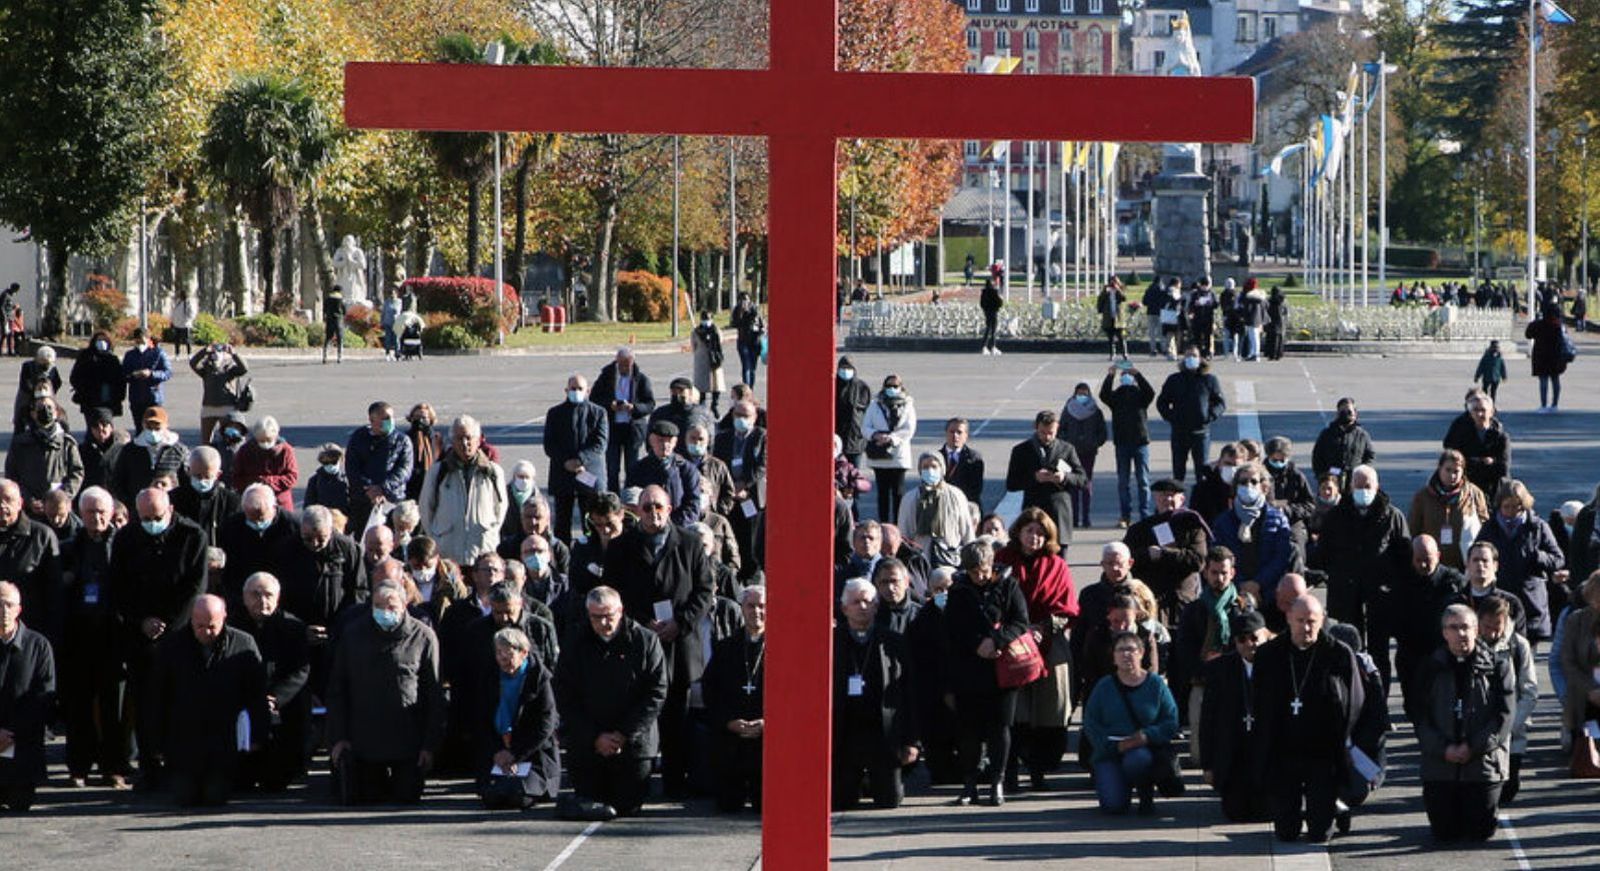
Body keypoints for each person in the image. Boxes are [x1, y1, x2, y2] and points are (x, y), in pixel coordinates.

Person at [603, 485, 715, 800]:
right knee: (639, 711)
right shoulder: (620, 547)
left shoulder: (690, 544)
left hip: (679, 642)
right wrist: (640, 624)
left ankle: (676, 782)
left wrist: (680, 623)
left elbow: (704, 591)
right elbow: (612, 593)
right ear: (637, 511)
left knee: (676, 715)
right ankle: (636, 777)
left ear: (670, 509)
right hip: (639, 643)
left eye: (659, 507)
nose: (653, 514)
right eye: (647, 507)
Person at [108, 488, 209, 787]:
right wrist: (142, 622)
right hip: (140, 636)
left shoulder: (193, 536)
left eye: (157, 517)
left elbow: (195, 588)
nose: (152, 523)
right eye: (146, 518)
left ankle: (178, 763)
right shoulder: (128, 538)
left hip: (179, 635)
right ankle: (149, 764)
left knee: (180, 702)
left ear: (171, 509)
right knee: (145, 703)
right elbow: (118, 585)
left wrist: (168, 623)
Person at [1254, 596, 1364, 843]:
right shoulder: (1269, 655)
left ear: (1322, 620)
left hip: (1322, 751)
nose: (1305, 628)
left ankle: (1332, 810)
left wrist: (1347, 743)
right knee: (1286, 833)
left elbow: (1355, 701)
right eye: (1300, 621)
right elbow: (1259, 700)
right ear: (1288, 619)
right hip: (1284, 750)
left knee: (1319, 834)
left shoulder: (1338, 654)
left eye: (1312, 622)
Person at [554, 586, 668, 821]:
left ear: (621, 611)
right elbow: (565, 695)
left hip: (632, 745)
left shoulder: (645, 640)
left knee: (626, 807)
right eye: (597, 617)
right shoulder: (575, 642)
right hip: (589, 744)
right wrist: (595, 737)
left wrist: (623, 735)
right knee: (591, 805)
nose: (604, 623)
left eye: (610, 616)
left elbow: (656, 692)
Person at [326, 583, 446, 804]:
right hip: (365, 741)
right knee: (368, 797)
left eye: (391, 607)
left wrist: (429, 746)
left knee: (406, 797)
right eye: (378, 606)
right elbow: (338, 690)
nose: (384, 612)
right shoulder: (353, 634)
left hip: (408, 740)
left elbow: (434, 695)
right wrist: (338, 738)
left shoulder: (423, 636)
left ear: (404, 605)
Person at [150, 595, 266, 806]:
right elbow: (158, 696)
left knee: (215, 796)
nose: (206, 632)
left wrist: (257, 735)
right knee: (185, 796)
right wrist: (157, 742)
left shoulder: (243, 644)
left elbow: (256, 694)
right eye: (199, 625)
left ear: (224, 618)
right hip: (184, 740)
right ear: (191, 620)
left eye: (212, 626)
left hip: (224, 740)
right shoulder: (172, 646)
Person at [1411, 603, 1514, 842]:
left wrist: (1473, 747)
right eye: (1453, 628)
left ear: (1476, 630)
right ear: (1444, 633)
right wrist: (1443, 748)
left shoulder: (1498, 666)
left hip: (1482, 764)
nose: (1461, 634)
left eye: (1466, 627)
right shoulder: (1430, 667)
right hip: (1440, 764)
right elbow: (1420, 717)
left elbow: (1504, 716)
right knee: (1445, 833)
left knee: (1479, 833)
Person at [994, 509, 1077, 790]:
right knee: (1016, 711)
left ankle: (1040, 770)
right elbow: (994, 600)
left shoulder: (1057, 566)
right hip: (1011, 641)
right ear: (1019, 532)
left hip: (1048, 640)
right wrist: (1016, 631)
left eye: (1041, 533)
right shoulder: (1003, 561)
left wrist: (1044, 627)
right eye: (1030, 531)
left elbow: (1068, 608)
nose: (1035, 537)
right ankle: (1011, 771)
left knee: (1049, 707)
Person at [1309, 464, 1410, 685]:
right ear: (1350, 487)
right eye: (1358, 486)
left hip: (1380, 597)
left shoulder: (1392, 516)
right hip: (1345, 596)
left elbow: (1404, 557)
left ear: (1377, 487)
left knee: (1379, 653)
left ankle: (1378, 702)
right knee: (1346, 649)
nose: (1363, 490)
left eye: (1367, 486)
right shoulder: (1336, 516)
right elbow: (1323, 556)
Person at [60, 488, 131, 788]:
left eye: (102, 511)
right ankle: (79, 767)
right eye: (90, 512)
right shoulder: (68, 547)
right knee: (78, 706)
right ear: (81, 512)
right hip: (79, 636)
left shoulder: (125, 545)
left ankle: (114, 766)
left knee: (113, 707)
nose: (97, 517)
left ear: (112, 512)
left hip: (114, 637)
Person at [833, 578, 918, 809]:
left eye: (868, 602)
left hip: (882, 733)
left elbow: (909, 692)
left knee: (889, 801)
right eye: (856, 602)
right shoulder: (831, 642)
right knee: (841, 801)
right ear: (844, 608)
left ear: (876, 606)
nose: (862, 607)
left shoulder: (893, 642)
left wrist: (912, 741)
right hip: (845, 732)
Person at [1081, 630, 1181, 815]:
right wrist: (1113, 746)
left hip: (1143, 749)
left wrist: (1147, 736)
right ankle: (1120, 786)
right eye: (1120, 650)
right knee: (1113, 806)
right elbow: (1090, 723)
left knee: (1138, 758)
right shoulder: (1104, 686)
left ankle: (1145, 792)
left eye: (1131, 649)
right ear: (1113, 656)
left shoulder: (1156, 684)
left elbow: (1171, 721)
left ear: (1141, 653)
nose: (1126, 654)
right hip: (1111, 752)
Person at [230, 572, 311, 792]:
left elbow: (301, 670)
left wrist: (276, 697)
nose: (262, 601)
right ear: (245, 597)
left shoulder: (293, 627)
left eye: (268, 595)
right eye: (255, 595)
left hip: (280, 702)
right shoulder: (232, 627)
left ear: (278, 597)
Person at [476, 626, 560, 808]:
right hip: (499, 752)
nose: (503, 660)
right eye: (499, 654)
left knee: (518, 796)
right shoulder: (490, 677)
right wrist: (498, 752)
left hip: (532, 754)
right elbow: (481, 720)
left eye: (508, 655)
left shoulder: (539, 678)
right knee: (492, 796)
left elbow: (546, 724)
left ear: (523, 653)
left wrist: (515, 755)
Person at [1199, 609, 1271, 822]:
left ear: (1265, 635)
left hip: (1266, 751)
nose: (1250, 644)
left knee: (1267, 812)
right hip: (1234, 752)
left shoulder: (1278, 664)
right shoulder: (1220, 669)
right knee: (1236, 812)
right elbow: (1208, 719)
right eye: (1242, 639)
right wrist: (1208, 765)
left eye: (1254, 637)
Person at [1475, 479, 1564, 644]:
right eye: (1506, 507)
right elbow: (1476, 552)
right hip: (1499, 603)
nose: (1511, 512)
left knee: (1526, 662)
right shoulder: (1490, 528)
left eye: (1517, 507)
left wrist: (1537, 556)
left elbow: (1558, 559)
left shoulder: (1538, 527)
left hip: (1531, 603)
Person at [702, 585, 766, 812]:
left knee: (765, 805)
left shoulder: (782, 647)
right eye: (751, 606)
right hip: (731, 737)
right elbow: (710, 691)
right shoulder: (725, 648)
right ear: (741, 608)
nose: (756, 611)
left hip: (767, 740)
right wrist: (728, 721)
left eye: (762, 606)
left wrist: (768, 722)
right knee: (727, 805)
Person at [1210, 462, 1300, 613]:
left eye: (1253, 482)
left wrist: (1257, 584)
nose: (1248, 486)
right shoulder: (1223, 521)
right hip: (1233, 591)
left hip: (1269, 592)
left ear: (1264, 487)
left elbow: (1282, 556)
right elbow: (1217, 554)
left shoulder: (1278, 519)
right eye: (1243, 482)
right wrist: (1242, 585)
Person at [420, 415, 508, 566]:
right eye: (459, 438)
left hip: (482, 554)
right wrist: (437, 537)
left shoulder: (492, 472)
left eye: (469, 438)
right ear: (452, 441)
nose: (464, 443)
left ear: (478, 439)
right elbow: (426, 508)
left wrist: (490, 534)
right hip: (448, 554)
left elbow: (501, 508)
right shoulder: (438, 471)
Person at [0, 580, 55, 812]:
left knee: (20, 802)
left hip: (22, 747)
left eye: (9, 605)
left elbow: (44, 698)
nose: (4, 611)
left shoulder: (38, 645)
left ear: (19, 609)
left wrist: (11, 733)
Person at [1124, 479, 1209, 626]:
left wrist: (1164, 554)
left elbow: (1198, 560)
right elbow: (1127, 559)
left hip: (1183, 600)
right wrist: (1147, 554)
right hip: (1151, 600)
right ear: (1155, 498)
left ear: (1182, 499)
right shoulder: (1140, 530)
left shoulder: (1192, 526)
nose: (1167, 499)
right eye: (1163, 495)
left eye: (1172, 495)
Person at [1477, 595, 1535, 804]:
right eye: (1486, 626)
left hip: (1513, 731)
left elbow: (1529, 690)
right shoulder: (1471, 645)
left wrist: (1510, 724)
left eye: (1497, 626)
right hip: (1479, 729)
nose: (1491, 632)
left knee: (1508, 790)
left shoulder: (1519, 646)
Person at [1004, 410, 1087, 546]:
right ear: (1036, 427)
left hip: (1059, 514)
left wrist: (1064, 477)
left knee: (1059, 561)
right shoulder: (1021, 451)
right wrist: (1035, 478)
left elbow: (1082, 480)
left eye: (1051, 433)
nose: (1047, 437)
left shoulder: (1067, 449)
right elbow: (1011, 484)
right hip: (1034, 514)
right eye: (1043, 433)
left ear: (1057, 428)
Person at [542, 375, 607, 543]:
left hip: (589, 474)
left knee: (591, 522)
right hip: (563, 475)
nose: (576, 392)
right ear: (566, 390)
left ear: (588, 391)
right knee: (562, 523)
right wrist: (566, 462)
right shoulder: (555, 413)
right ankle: (563, 557)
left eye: (580, 389)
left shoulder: (599, 413)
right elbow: (550, 444)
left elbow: (600, 443)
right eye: (573, 388)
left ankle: (591, 553)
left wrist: (580, 460)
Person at [1408, 449, 1490, 571]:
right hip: (1432, 564)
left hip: (1464, 564)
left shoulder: (1474, 494)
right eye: (1448, 470)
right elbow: (1413, 531)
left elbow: (1485, 528)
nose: (1452, 476)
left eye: (1456, 471)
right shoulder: (1423, 496)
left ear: (1463, 472)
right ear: (1439, 468)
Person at [1156, 346, 1226, 483]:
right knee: (1178, 471)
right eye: (1188, 356)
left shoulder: (1209, 380)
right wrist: (1171, 417)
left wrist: (1209, 416)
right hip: (1179, 432)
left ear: (1200, 358)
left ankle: (1200, 501)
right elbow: (1162, 402)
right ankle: (1177, 500)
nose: (1191, 359)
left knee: (1202, 472)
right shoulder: (1174, 379)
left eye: (1194, 355)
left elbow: (1220, 403)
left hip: (1201, 433)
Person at [591, 347, 657, 493]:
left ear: (633, 363)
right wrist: (610, 405)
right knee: (612, 468)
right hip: (612, 429)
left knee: (632, 467)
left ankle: (630, 497)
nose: (624, 368)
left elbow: (650, 404)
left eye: (627, 365)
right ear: (616, 361)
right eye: (621, 365)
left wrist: (634, 408)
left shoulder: (641, 379)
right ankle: (613, 497)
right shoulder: (606, 377)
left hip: (632, 430)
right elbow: (594, 399)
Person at [895, 452, 974, 572]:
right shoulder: (911, 498)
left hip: (949, 558)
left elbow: (966, 530)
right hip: (921, 559)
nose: (930, 471)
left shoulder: (956, 495)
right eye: (925, 467)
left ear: (942, 469)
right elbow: (904, 533)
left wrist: (970, 559)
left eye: (934, 466)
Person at [344, 401, 414, 533]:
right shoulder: (359, 438)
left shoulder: (402, 441)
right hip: (363, 501)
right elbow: (352, 468)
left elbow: (404, 470)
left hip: (391, 500)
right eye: (385, 418)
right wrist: (369, 490)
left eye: (391, 417)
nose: (390, 421)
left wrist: (382, 488)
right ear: (372, 420)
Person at [5, 397, 83, 514]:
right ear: (33, 414)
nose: (46, 411)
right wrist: (28, 500)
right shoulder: (20, 444)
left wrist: (62, 497)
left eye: (49, 407)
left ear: (56, 413)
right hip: (29, 510)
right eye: (40, 408)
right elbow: (12, 475)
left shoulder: (67, 443)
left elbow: (77, 473)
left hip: (59, 509)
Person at [1100, 364, 1156, 526]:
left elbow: (1150, 392)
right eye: (1123, 375)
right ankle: (1125, 515)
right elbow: (1104, 395)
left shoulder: (1140, 395)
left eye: (1128, 375)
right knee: (1123, 482)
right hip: (1122, 444)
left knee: (1143, 481)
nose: (1126, 377)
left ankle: (1145, 513)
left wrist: (1138, 375)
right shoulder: (1116, 396)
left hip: (1141, 443)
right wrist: (1110, 375)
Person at [860, 373, 917, 524]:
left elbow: (909, 429)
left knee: (898, 492)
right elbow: (865, 427)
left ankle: (899, 524)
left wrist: (892, 438)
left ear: (901, 387)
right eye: (889, 386)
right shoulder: (875, 404)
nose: (892, 389)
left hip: (898, 455)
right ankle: (884, 523)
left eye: (895, 386)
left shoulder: (908, 404)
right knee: (882, 493)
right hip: (879, 455)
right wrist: (876, 435)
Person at [109, 406, 189, 507]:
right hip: (138, 508)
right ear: (143, 425)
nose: (152, 432)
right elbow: (117, 481)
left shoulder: (179, 451)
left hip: (171, 506)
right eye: (149, 427)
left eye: (157, 428)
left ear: (166, 426)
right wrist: (129, 504)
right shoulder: (129, 450)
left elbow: (187, 482)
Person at [630, 420, 703, 527]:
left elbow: (693, 505)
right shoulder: (638, 469)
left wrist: (673, 526)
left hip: (678, 527)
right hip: (646, 526)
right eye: (660, 440)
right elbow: (631, 503)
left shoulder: (686, 469)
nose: (665, 445)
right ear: (651, 440)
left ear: (675, 442)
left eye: (670, 441)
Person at [1442, 391, 1511, 500]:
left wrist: (1473, 462)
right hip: (1466, 491)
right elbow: (1455, 461)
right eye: (1475, 410)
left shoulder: (1501, 437)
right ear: (1470, 413)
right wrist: (1485, 462)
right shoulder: (1462, 434)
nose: (1479, 414)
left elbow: (1503, 469)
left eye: (1483, 410)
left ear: (1491, 412)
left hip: (1494, 492)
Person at [171, 446, 241, 546]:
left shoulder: (232, 502)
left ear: (218, 474)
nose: (202, 481)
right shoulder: (174, 498)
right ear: (189, 471)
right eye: (197, 476)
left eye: (207, 477)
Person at [1060, 382, 1107, 529]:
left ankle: (1086, 517)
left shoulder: (1095, 411)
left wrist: (1094, 443)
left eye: (1084, 393)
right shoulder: (1068, 409)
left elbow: (1103, 432)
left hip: (1088, 452)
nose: (1082, 396)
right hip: (1071, 453)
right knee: (1073, 485)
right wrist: (1066, 444)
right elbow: (1061, 430)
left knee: (1086, 485)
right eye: (1079, 393)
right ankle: (1074, 518)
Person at [233, 415, 299, 511]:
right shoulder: (245, 450)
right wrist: (254, 485)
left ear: (276, 435)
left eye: (268, 440)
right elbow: (237, 476)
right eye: (261, 440)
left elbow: (292, 476)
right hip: (252, 502)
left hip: (280, 503)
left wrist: (268, 482)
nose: (265, 443)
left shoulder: (286, 451)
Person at [1310, 399, 1374, 494]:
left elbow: (1370, 456)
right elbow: (1317, 456)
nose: (1346, 414)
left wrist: (1362, 473)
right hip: (1331, 482)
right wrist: (1322, 477)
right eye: (1343, 412)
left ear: (1355, 413)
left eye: (1349, 412)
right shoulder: (1327, 434)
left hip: (1354, 482)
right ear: (1337, 413)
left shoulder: (1362, 435)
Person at [188, 342, 248, 444]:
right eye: (214, 351)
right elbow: (193, 363)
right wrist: (204, 351)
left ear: (225, 355)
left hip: (227, 408)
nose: (217, 353)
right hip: (208, 407)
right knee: (206, 441)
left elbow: (244, 368)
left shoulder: (230, 369)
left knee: (229, 439)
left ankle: (227, 457)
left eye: (220, 351)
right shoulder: (206, 369)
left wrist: (234, 354)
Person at [68, 331, 125, 423]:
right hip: (89, 400)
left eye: (104, 340)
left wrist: (119, 397)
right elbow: (75, 377)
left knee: (106, 427)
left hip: (107, 400)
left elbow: (120, 381)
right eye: (99, 340)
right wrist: (83, 389)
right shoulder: (85, 356)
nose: (101, 342)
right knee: (92, 427)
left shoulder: (113, 359)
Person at [120, 328, 172, 424]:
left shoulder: (158, 353)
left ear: (148, 339)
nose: (140, 343)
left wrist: (151, 374)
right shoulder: (130, 355)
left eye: (142, 340)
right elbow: (123, 374)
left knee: (155, 426)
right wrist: (133, 375)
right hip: (136, 398)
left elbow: (167, 373)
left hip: (154, 398)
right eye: (137, 340)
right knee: (140, 428)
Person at [1524, 304, 1568, 411]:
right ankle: (1554, 404)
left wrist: (1534, 321)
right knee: (1555, 380)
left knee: (1543, 381)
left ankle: (1543, 405)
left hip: (1541, 356)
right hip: (1555, 356)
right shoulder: (1558, 326)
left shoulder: (1538, 324)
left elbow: (1528, 334)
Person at [938, 417, 985, 511]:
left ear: (966, 435)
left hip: (966, 507)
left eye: (959, 432)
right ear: (946, 433)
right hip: (941, 507)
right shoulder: (936, 457)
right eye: (951, 432)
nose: (955, 436)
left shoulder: (974, 458)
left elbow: (975, 490)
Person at [12, 345, 60, 433]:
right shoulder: (27, 366)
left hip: (46, 393)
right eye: (43, 362)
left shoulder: (53, 368)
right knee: (20, 410)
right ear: (38, 359)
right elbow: (24, 383)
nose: (46, 366)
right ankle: (19, 431)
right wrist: (34, 390)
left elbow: (57, 382)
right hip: (28, 393)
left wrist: (50, 392)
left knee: (54, 409)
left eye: (48, 363)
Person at [835, 356, 871, 471]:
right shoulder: (833, 385)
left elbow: (868, 412)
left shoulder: (862, 387)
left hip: (855, 440)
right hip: (836, 440)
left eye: (848, 368)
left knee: (854, 476)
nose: (845, 371)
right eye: (843, 368)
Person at [691, 310, 727, 416]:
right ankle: (702, 406)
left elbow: (720, 341)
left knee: (716, 385)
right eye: (704, 319)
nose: (706, 322)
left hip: (714, 360)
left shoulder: (716, 331)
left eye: (707, 319)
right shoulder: (696, 332)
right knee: (701, 386)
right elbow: (694, 345)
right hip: (702, 361)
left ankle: (714, 404)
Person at [730, 293, 765, 388]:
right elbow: (733, 324)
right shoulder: (737, 310)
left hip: (755, 341)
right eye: (742, 300)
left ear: (750, 300)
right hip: (743, 341)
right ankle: (747, 389)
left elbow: (761, 325)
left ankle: (751, 389)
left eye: (746, 299)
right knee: (746, 366)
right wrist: (741, 314)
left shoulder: (755, 309)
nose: (744, 302)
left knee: (752, 368)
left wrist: (751, 313)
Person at [305, 443, 350, 515]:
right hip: (323, 522)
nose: (330, 465)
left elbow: (355, 505)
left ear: (340, 460)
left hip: (344, 522)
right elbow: (309, 508)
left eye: (333, 462)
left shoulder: (348, 480)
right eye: (326, 462)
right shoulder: (314, 481)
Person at [1097, 278, 1130, 360]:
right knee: (1111, 339)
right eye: (1111, 283)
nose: (1113, 285)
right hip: (1109, 318)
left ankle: (1124, 353)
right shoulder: (1106, 293)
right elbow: (1099, 304)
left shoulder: (1120, 291)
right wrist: (1105, 291)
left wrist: (1117, 289)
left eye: (1115, 283)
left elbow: (1124, 298)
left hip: (1119, 319)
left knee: (1122, 337)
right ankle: (1112, 354)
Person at [1187, 277, 1218, 357]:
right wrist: (1195, 305)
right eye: (1203, 285)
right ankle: (1199, 352)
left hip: (1208, 318)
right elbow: (1190, 305)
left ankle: (1207, 352)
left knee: (1208, 336)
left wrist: (1210, 303)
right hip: (1197, 318)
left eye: (1206, 285)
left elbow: (1216, 304)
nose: (1204, 287)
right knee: (1198, 337)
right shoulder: (1196, 294)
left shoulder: (1211, 293)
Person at [322, 284, 347, 364]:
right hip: (338, 319)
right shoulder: (341, 299)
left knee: (328, 338)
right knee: (340, 338)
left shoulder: (328, 298)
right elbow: (344, 310)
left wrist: (326, 316)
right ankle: (339, 356)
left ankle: (325, 356)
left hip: (330, 319)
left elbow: (324, 308)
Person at [978, 277, 1003, 355]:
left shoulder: (984, 292)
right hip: (993, 311)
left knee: (988, 329)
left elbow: (981, 304)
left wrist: (985, 309)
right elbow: (999, 303)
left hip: (987, 312)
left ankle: (985, 347)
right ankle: (992, 346)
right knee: (993, 330)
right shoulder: (994, 292)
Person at [1264, 285, 1289, 360]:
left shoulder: (1269, 300)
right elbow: (1285, 311)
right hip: (1280, 320)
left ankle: (1271, 354)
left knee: (1270, 338)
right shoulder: (1282, 300)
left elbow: (1266, 309)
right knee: (1279, 338)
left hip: (1271, 320)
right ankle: (1278, 354)